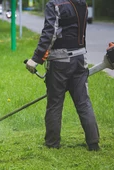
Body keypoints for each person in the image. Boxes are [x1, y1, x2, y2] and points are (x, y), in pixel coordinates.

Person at [25, 0, 100, 151]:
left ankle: (52, 144)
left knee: (55, 103)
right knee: (83, 102)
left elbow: (50, 32)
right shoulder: (82, 3)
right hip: (80, 59)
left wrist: (36, 59)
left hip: (60, 62)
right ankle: (93, 143)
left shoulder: (54, 4)